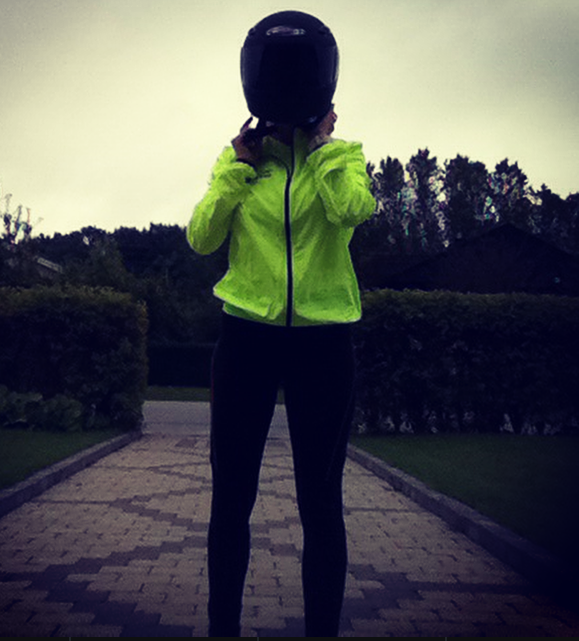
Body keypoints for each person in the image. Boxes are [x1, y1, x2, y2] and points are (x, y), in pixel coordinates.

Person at [187, 10, 376, 637]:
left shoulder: (344, 157)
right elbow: (201, 236)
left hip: (323, 344)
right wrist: (238, 168)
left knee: (320, 502)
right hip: (247, 341)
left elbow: (350, 209)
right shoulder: (240, 162)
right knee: (231, 498)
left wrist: (320, 151)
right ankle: (222, 628)